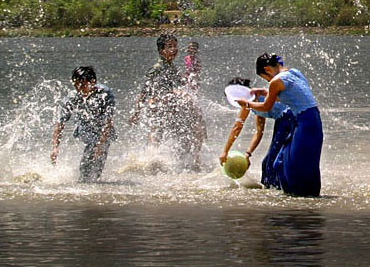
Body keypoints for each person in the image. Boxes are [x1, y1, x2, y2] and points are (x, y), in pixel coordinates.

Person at [238, 53, 323, 197]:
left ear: (267, 69)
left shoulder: (275, 81)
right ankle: (300, 199)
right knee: (283, 162)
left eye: (264, 78)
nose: (267, 81)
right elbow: (291, 95)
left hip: (305, 122)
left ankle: (305, 200)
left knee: (295, 165)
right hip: (311, 118)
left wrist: (247, 104)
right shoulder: (294, 72)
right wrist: (265, 91)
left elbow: (266, 106)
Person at [130, 33, 206, 169]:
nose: (174, 49)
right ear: (161, 50)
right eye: (170, 46)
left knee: (186, 133)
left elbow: (180, 89)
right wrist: (137, 112)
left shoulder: (173, 68)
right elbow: (145, 91)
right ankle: (153, 162)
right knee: (157, 135)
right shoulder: (157, 69)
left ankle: (188, 162)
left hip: (173, 110)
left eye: (175, 46)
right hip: (161, 109)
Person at [219, 78, 295, 189]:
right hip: (283, 121)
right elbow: (259, 132)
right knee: (267, 163)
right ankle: (274, 189)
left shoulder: (255, 100)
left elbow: (237, 128)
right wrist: (247, 154)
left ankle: (278, 191)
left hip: (288, 118)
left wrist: (225, 152)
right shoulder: (251, 103)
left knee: (271, 163)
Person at [51, 66, 116, 183]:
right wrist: (55, 148)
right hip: (85, 128)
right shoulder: (72, 97)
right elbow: (60, 123)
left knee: (97, 166)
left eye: (82, 85)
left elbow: (108, 122)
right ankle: (83, 181)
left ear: (93, 82)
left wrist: (100, 146)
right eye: (76, 86)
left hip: (104, 131)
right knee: (88, 159)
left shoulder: (105, 94)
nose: (79, 89)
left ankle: (93, 188)